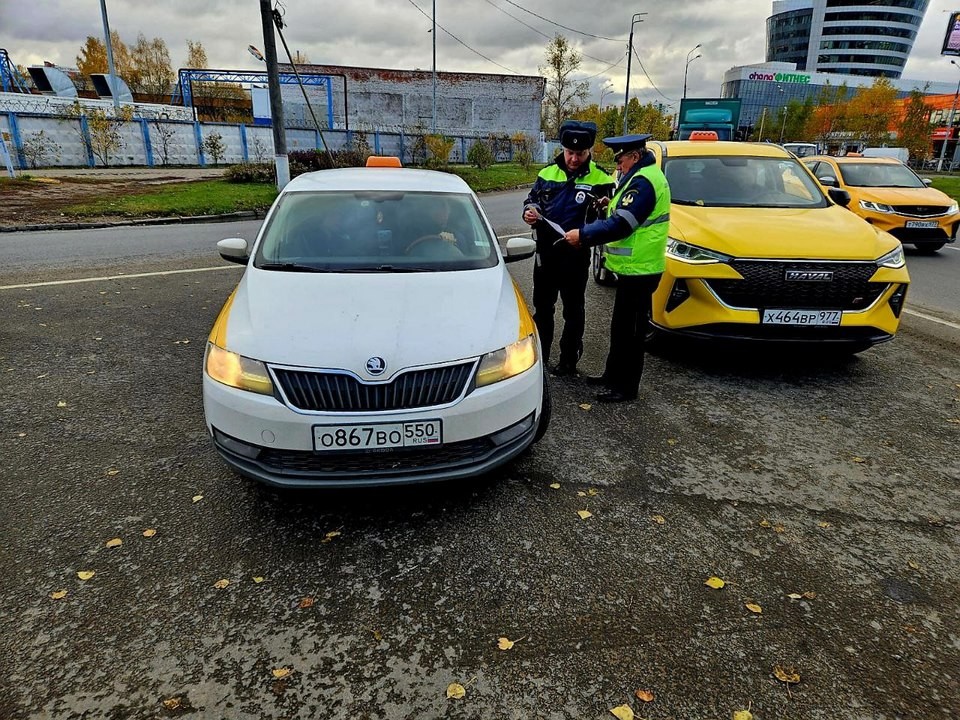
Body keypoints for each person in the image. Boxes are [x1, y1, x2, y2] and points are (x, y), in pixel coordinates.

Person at [563, 134, 670, 403]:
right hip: (632, 270)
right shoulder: (637, 176)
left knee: (632, 333)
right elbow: (621, 211)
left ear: (634, 156)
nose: (618, 165)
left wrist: (584, 235)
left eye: (621, 159)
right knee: (620, 328)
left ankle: (626, 387)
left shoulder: (645, 180)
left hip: (642, 270)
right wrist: (605, 206)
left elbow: (623, 224)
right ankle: (612, 376)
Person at [522, 120, 615, 376]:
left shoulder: (602, 178)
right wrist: (530, 212)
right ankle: (540, 358)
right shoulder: (547, 174)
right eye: (569, 152)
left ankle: (568, 361)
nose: (574, 158)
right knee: (543, 309)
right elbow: (532, 200)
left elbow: (609, 222)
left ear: (589, 152)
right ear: (562, 149)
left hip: (575, 256)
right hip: (546, 255)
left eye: (580, 154)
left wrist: (603, 208)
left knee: (573, 311)